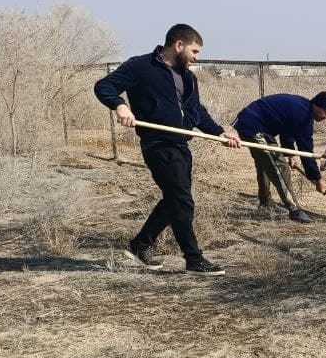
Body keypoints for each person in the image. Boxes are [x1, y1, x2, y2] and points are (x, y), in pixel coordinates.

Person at [94, 24, 241, 276]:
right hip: (158, 144)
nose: (196, 58)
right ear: (179, 45)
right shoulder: (140, 66)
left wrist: (219, 133)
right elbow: (103, 86)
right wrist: (120, 105)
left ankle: (140, 246)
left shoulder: (188, 77)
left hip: (181, 144)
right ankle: (193, 259)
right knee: (182, 200)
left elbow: (197, 111)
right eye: (194, 51)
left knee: (173, 199)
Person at [233, 92, 326, 223]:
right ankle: (295, 210)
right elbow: (306, 151)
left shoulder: (302, 108)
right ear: (316, 105)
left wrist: (290, 154)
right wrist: (318, 179)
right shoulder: (304, 115)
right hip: (254, 126)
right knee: (280, 166)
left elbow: (287, 131)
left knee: (265, 162)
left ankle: (265, 203)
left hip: (249, 121)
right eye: (325, 111)